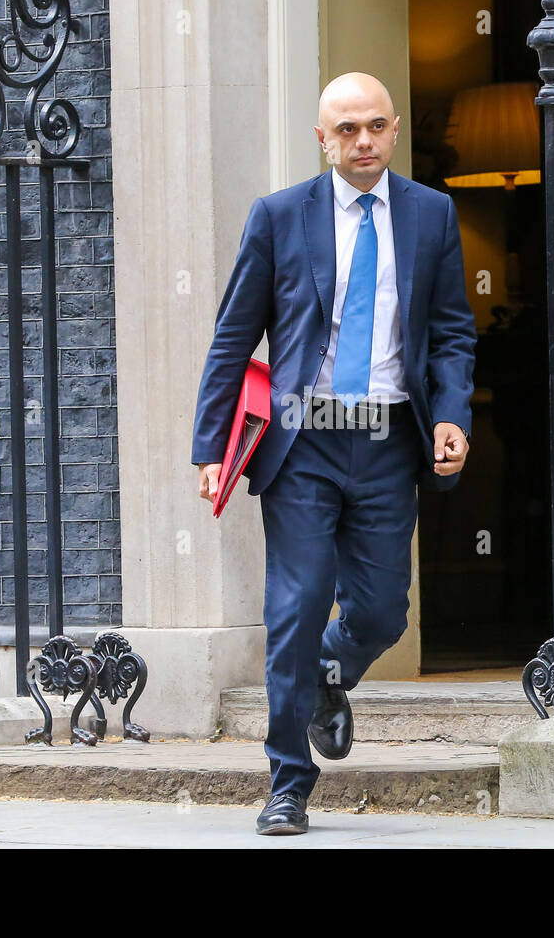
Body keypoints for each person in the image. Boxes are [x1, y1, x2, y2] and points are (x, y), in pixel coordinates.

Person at [191, 72, 476, 835]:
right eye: (346, 130)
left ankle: (331, 673)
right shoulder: (280, 217)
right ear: (322, 138)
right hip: (303, 442)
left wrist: (451, 415)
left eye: (376, 126)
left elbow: (450, 330)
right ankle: (288, 782)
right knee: (296, 606)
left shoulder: (431, 215)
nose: (363, 142)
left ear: (392, 130)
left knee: (382, 611)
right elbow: (232, 337)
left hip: (388, 442)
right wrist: (211, 444)